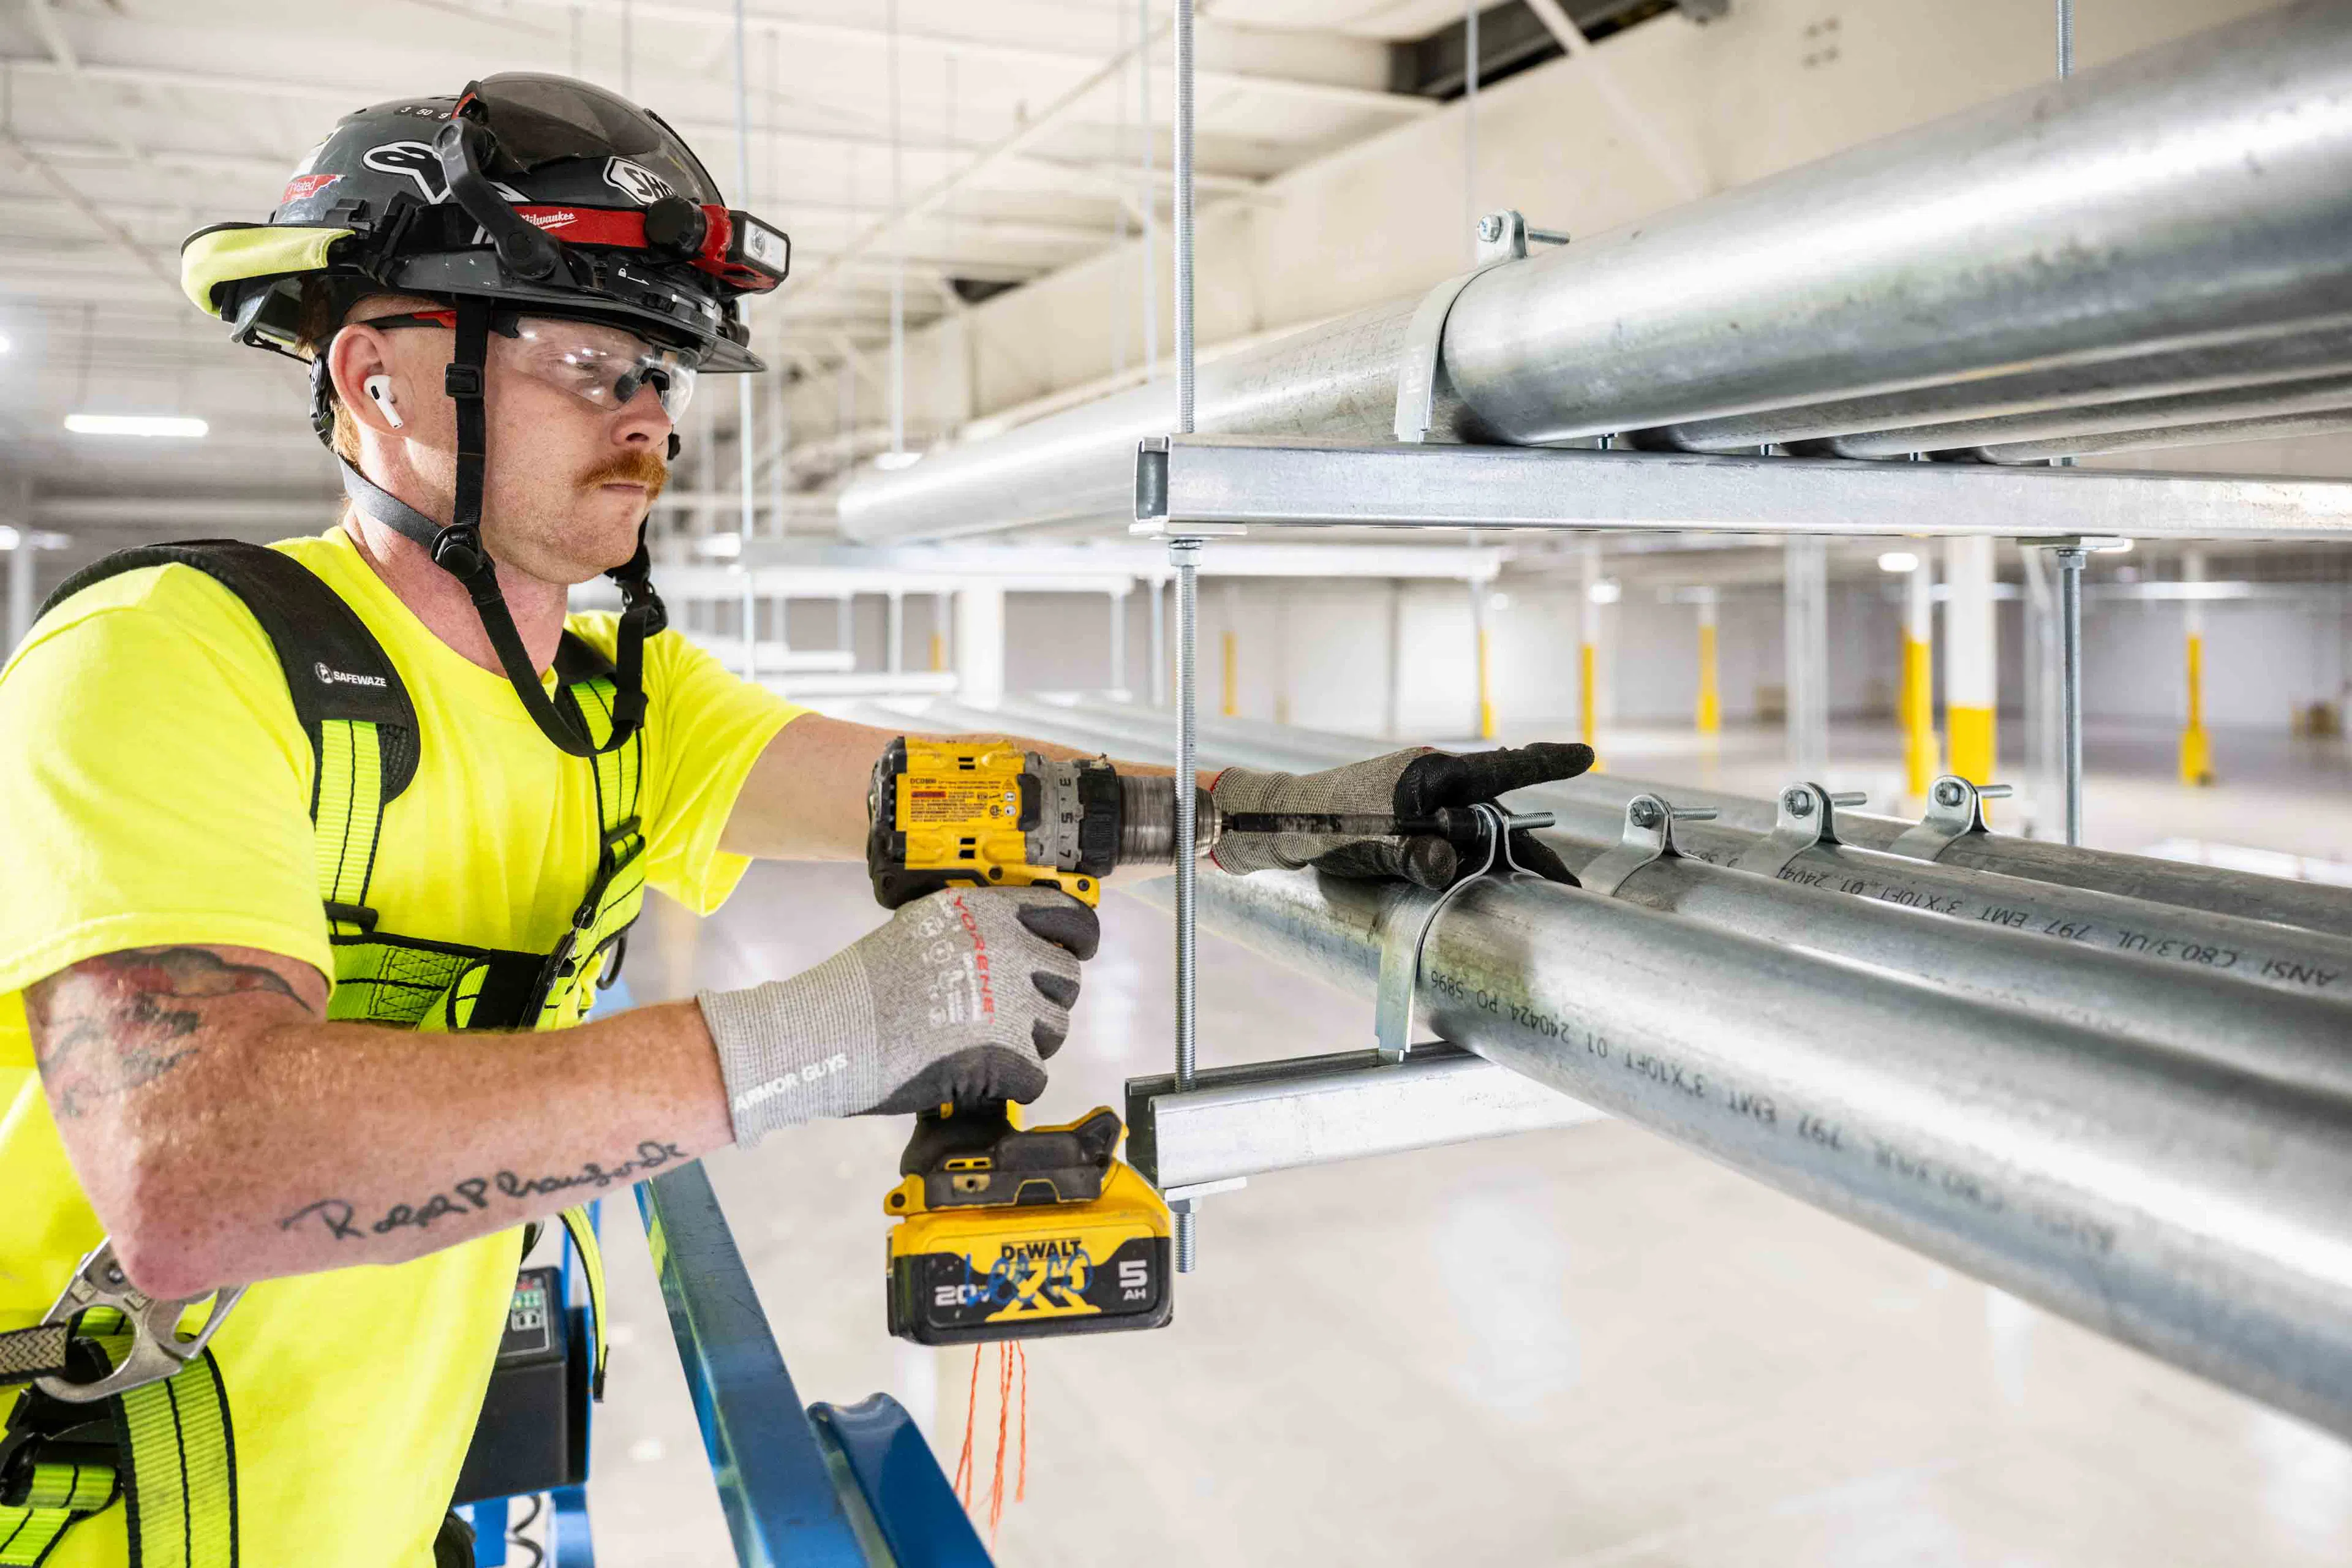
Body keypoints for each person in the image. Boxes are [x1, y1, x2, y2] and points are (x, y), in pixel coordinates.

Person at [0, 74, 1590, 1568]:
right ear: (378, 376)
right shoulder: (171, 657)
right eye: (587, 365)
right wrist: (818, 1036)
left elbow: (944, 797)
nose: (652, 421)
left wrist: (1281, 813)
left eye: (663, 372)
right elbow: (190, 1176)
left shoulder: (624, 696)